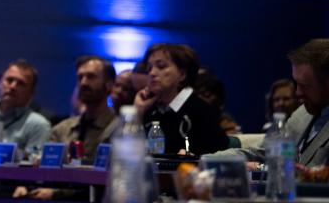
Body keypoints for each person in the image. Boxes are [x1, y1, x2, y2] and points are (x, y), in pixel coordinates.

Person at [209, 39, 329, 167]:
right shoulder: (301, 114)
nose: (297, 93)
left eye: (304, 86)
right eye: (296, 84)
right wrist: (209, 159)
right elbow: (265, 153)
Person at [17, 56, 117, 200]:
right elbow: (46, 172)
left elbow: (111, 183)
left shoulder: (119, 130)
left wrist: (56, 194)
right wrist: (26, 185)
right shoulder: (62, 129)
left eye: (91, 77)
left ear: (109, 85)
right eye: (80, 77)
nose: (83, 83)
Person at [134, 43, 229, 156]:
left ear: (182, 74)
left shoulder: (201, 110)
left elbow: (218, 152)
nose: (152, 73)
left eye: (161, 66)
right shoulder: (148, 108)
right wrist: (137, 112)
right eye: (149, 68)